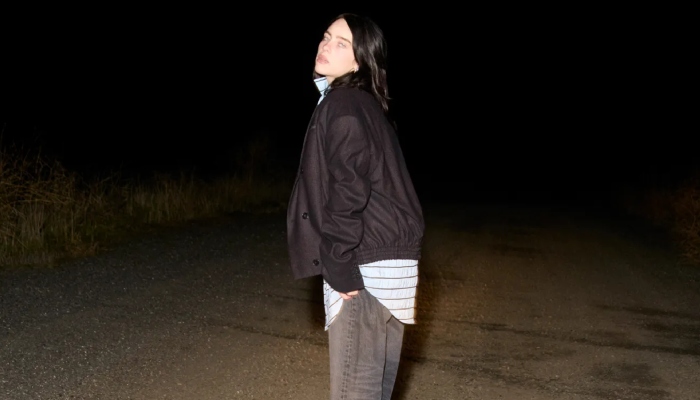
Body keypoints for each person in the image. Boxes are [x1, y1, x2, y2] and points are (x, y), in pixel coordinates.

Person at [287, 12, 425, 400]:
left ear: (359, 61)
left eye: (341, 43)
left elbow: (348, 189)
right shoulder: (364, 105)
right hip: (392, 271)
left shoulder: (343, 105)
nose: (326, 46)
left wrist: (339, 263)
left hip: (365, 269)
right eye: (326, 36)